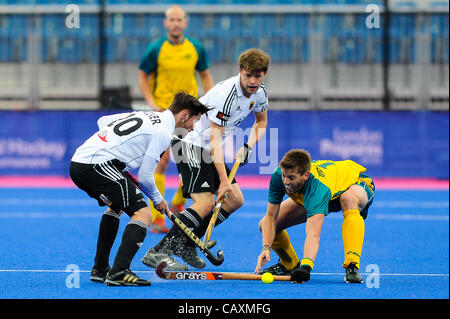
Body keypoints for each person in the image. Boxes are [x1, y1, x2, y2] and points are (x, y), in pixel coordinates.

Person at [141, 48, 271, 270]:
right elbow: (214, 140)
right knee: (206, 203)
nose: (252, 81)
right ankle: (160, 251)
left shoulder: (260, 94)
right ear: (240, 70)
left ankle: (187, 244)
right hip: (189, 142)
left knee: (235, 200)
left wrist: (248, 146)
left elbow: (261, 122)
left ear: (264, 74)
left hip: (208, 148)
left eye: (257, 76)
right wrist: (224, 180)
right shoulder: (227, 96)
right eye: (248, 75)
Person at [69, 92, 209, 286]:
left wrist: (116, 157)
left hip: (82, 162)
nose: (193, 128)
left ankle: (100, 269)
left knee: (116, 206)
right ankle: (119, 271)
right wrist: (159, 199)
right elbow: (145, 177)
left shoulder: (148, 115)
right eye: (194, 120)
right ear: (184, 114)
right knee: (143, 214)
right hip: (97, 165)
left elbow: (103, 121)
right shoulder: (163, 132)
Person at [138, 4, 214, 233]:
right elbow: (143, 75)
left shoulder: (196, 48)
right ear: (165, 23)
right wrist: (151, 101)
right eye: (171, 20)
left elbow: (205, 76)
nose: (175, 23)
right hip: (163, 112)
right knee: (161, 162)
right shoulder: (156, 49)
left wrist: (209, 104)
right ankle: (157, 218)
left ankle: (178, 202)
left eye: (179, 20)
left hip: (188, 114)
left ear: (185, 23)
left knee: (191, 161)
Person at [254, 149, 375, 284]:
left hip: (354, 184)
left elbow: (313, 233)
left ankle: (352, 266)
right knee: (264, 224)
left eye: (291, 178)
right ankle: (290, 265)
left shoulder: (318, 188)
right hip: (322, 192)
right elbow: (271, 217)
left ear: (306, 175)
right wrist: (266, 248)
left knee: (348, 199)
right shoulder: (279, 177)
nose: (286, 182)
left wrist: (306, 267)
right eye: (284, 176)